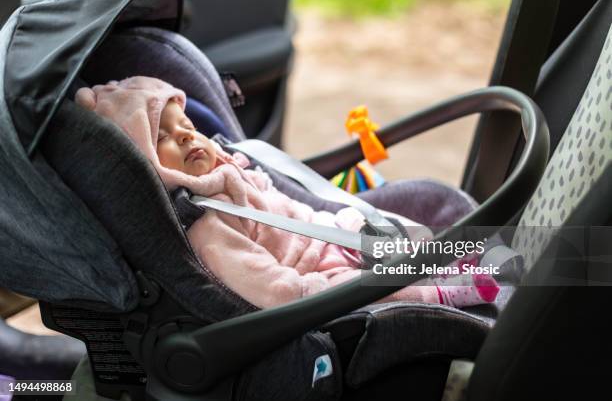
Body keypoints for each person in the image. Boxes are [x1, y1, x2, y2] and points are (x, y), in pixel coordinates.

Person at [75, 76, 499, 309]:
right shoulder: (203, 222)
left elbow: (289, 202)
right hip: (313, 278)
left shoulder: (230, 167)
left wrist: (337, 222)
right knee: (374, 286)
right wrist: (306, 290)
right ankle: (441, 292)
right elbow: (267, 285)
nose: (186, 137)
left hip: (327, 233)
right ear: (145, 164)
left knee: (399, 234)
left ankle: (458, 258)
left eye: (186, 126)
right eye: (164, 138)